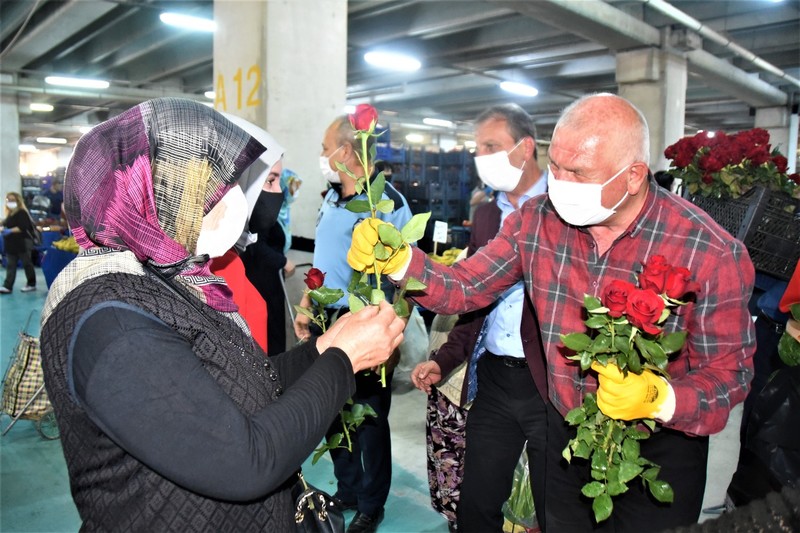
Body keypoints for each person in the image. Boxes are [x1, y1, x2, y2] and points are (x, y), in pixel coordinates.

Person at [350, 93, 756, 532]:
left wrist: (664, 398)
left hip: (659, 448)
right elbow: (467, 286)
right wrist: (401, 262)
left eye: (577, 172)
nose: (558, 182)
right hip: (565, 440)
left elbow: (730, 372)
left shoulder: (710, 252)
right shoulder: (537, 220)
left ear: (634, 175)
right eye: (556, 166)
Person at [39, 98, 405, 532]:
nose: (236, 198)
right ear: (162, 195)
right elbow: (247, 461)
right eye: (217, 186)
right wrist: (341, 362)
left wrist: (321, 349)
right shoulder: (115, 324)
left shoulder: (164, 276)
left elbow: (236, 385)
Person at [411, 103, 548, 532]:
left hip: (547, 383)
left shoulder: (562, 211)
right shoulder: (488, 215)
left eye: (491, 146)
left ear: (525, 148)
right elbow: (472, 295)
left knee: (554, 507)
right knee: (476, 504)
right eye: (477, 147)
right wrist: (446, 358)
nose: (481, 156)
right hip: (494, 377)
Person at [293, 114, 413, 533]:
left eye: (327, 147)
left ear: (348, 151)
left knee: (370, 418)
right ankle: (347, 488)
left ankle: (371, 502)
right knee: (332, 409)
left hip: (365, 318)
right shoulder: (330, 196)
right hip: (327, 315)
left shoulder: (388, 204)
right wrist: (308, 303)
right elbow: (324, 261)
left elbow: (407, 280)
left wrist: (390, 330)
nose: (323, 156)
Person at [241, 158, 296, 355]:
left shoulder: (277, 214)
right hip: (262, 284)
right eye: (271, 181)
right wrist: (282, 261)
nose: (279, 192)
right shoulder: (256, 217)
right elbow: (256, 246)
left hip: (272, 284)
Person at [1, 192, 37, 294]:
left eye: (12, 200)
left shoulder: (22, 213)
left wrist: (9, 231)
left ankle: (31, 284)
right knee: (10, 265)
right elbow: (5, 224)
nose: (10, 202)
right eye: (8, 200)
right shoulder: (10, 214)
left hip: (23, 242)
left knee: (27, 264)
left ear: (18, 201)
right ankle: (7, 286)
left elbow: (23, 227)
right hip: (11, 243)